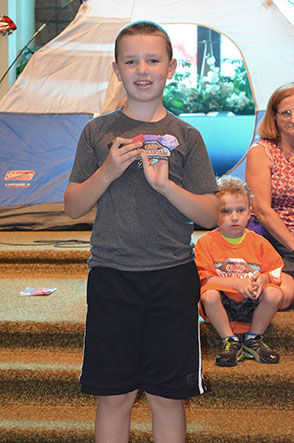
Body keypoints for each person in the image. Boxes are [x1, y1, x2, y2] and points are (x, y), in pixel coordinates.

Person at [64, 21, 218, 443]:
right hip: (112, 276)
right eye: (131, 61)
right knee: (114, 395)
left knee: (168, 397)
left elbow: (210, 215)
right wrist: (108, 172)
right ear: (117, 70)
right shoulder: (97, 132)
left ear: (171, 67)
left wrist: (167, 186)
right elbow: (74, 206)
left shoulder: (188, 136)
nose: (142, 69)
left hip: (172, 277)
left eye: (153, 60)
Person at [194, 176, 284, 367]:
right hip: (221, 305)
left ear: (250, 212)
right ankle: (230, 341)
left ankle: (253, 339)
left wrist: (262, 279)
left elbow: (275, 271)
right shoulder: (206, 243)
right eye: (226, 211)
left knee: (275, 293)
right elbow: (204, 280)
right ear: (214, 213)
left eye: (240, 210)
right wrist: (235, 283)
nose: (234, 217)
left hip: (251, 303)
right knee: (209, 295)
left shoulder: (260, 243)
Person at [246, 82, 294, 309]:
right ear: (274, 117)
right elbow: (263, 211)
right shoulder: (261, 152)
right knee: (283, 297)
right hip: (278, 241)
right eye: (286, 113)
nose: (293, 118)